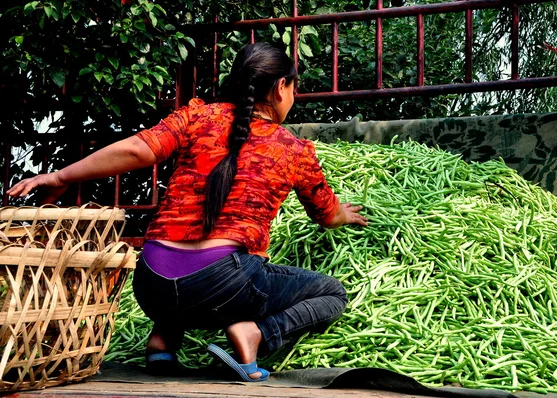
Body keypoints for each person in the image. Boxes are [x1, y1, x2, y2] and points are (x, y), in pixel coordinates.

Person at [7, 42, 368, 382]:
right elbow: (326, 213)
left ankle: (162, 342)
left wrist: (58, 175)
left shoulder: (196, 117)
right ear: (280, 87)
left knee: (180, 259)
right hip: (221, 287)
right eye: (294, 88)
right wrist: (344, 215)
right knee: (333, 293)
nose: (294, 96)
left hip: (150, 283)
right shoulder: (292, 149)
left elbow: (135, 150)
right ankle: (254, 333)